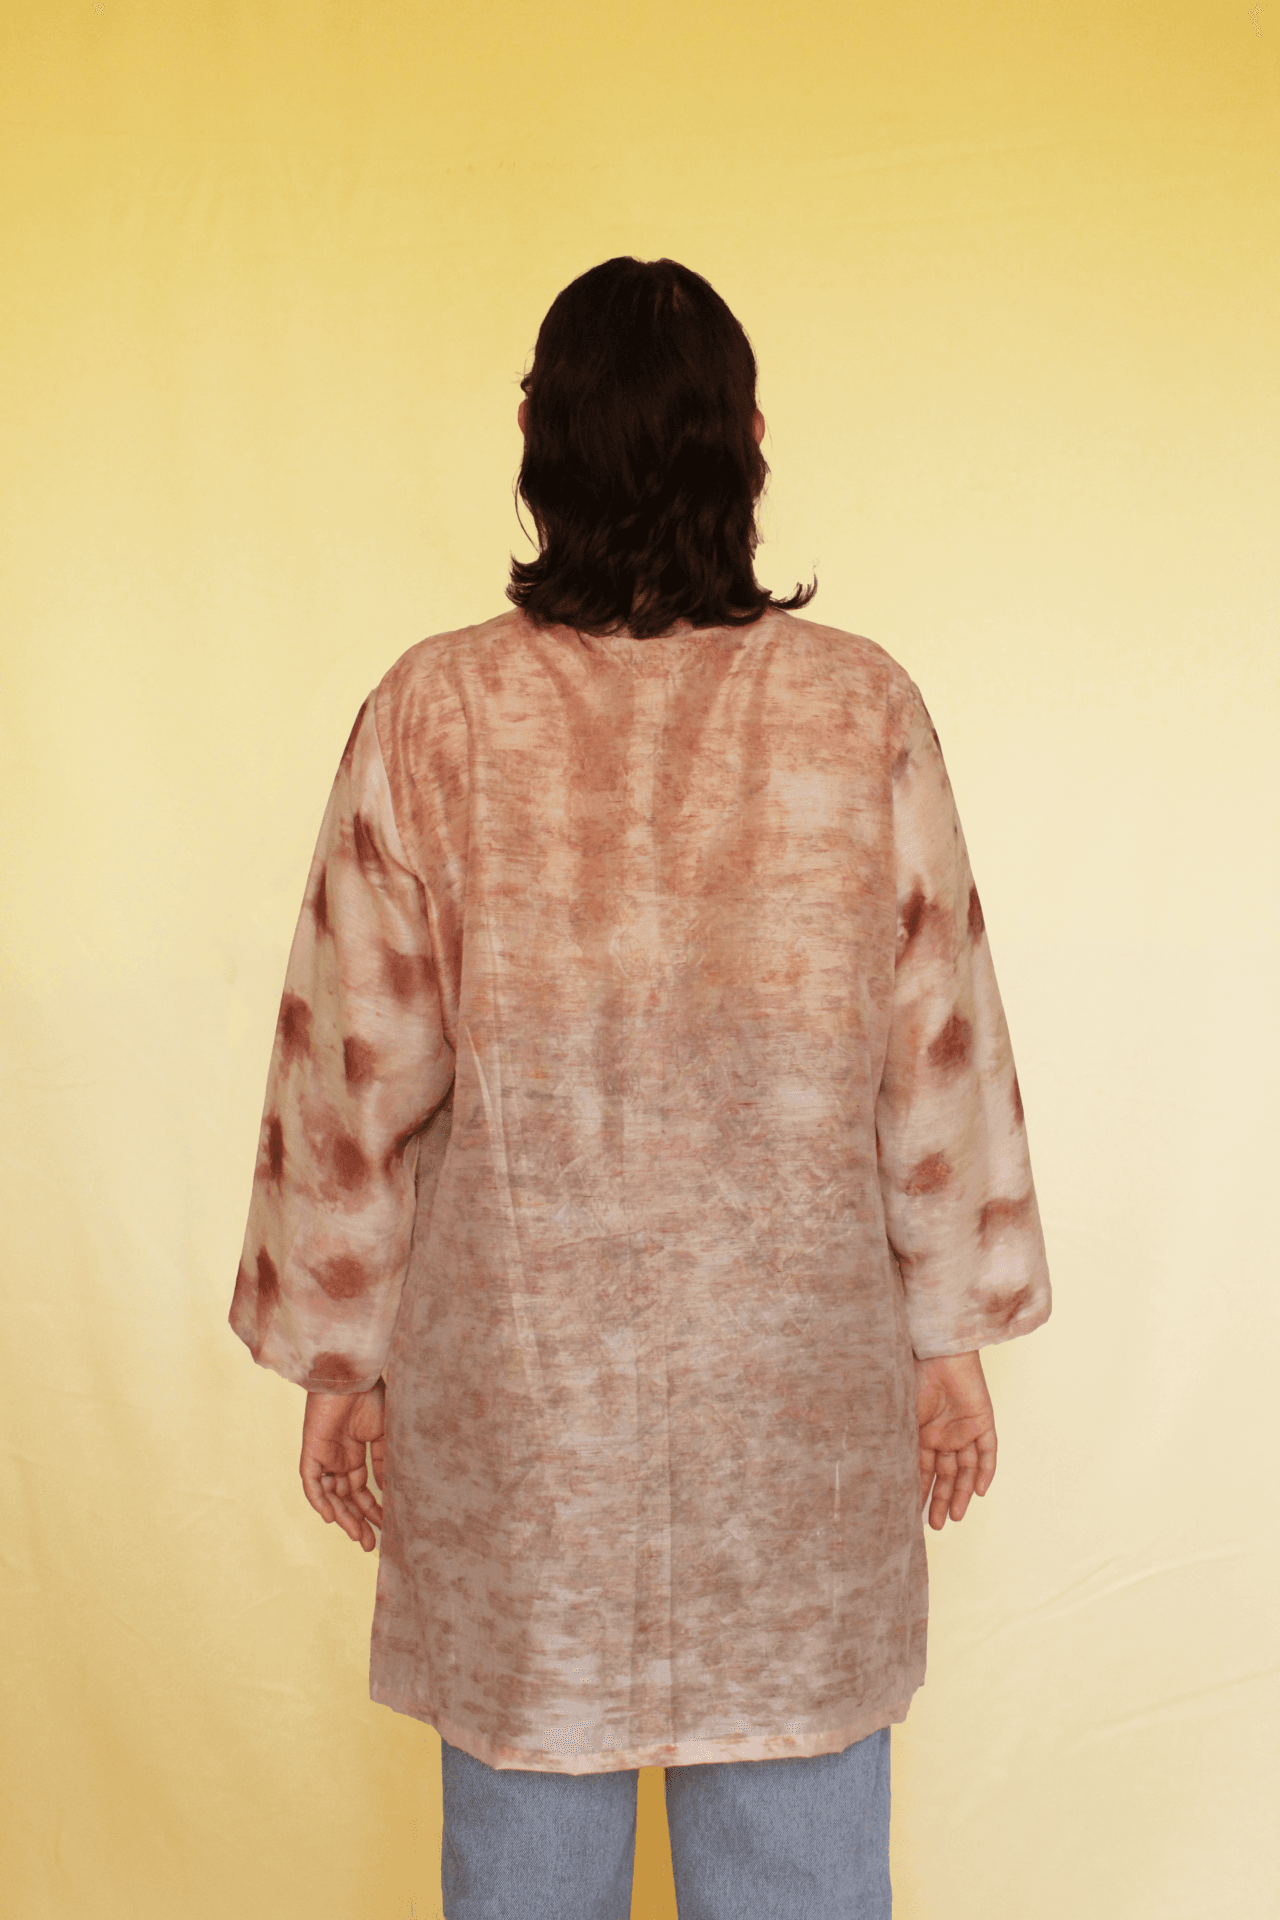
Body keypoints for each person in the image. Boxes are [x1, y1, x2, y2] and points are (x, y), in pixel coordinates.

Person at [230, 255, 1051, 1919]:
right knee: (802, 1852)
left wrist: (340, 1358)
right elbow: (936, 1048)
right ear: (749, 446)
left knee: (525, 1853)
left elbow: (352, 1069)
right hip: (795, 1411)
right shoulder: (859, 713)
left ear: (539, 442)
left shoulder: (437, 714)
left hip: (526, 1415)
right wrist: (946, 1340)